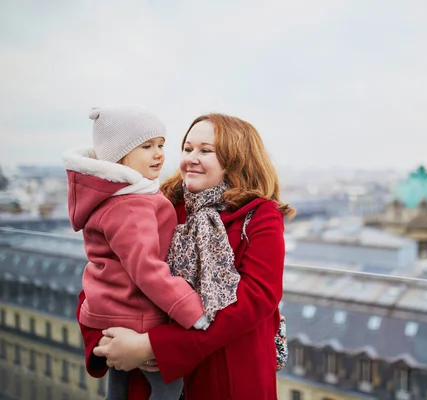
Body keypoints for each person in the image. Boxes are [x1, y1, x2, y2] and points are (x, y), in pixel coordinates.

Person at [78, 113, 294, 400]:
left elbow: (256, 299)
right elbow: (104, 272)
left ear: (236, 159)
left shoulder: (261, 215)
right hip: (148, 375)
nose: (191, 157)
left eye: (205, 150)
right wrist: (106, 344)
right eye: (187, 148)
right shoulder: (157, 203)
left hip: (224, 374)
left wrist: (153, 346)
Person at [63, 105, 209, 400]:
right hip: (135, 310)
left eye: (161, 145)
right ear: (119, 155)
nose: (159, 154)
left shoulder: (111, 196)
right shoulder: (131, 204)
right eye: (146, 146)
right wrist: (190, 309)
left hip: (110, 308)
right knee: (170, 387)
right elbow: (145, 267)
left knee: (119, 386)